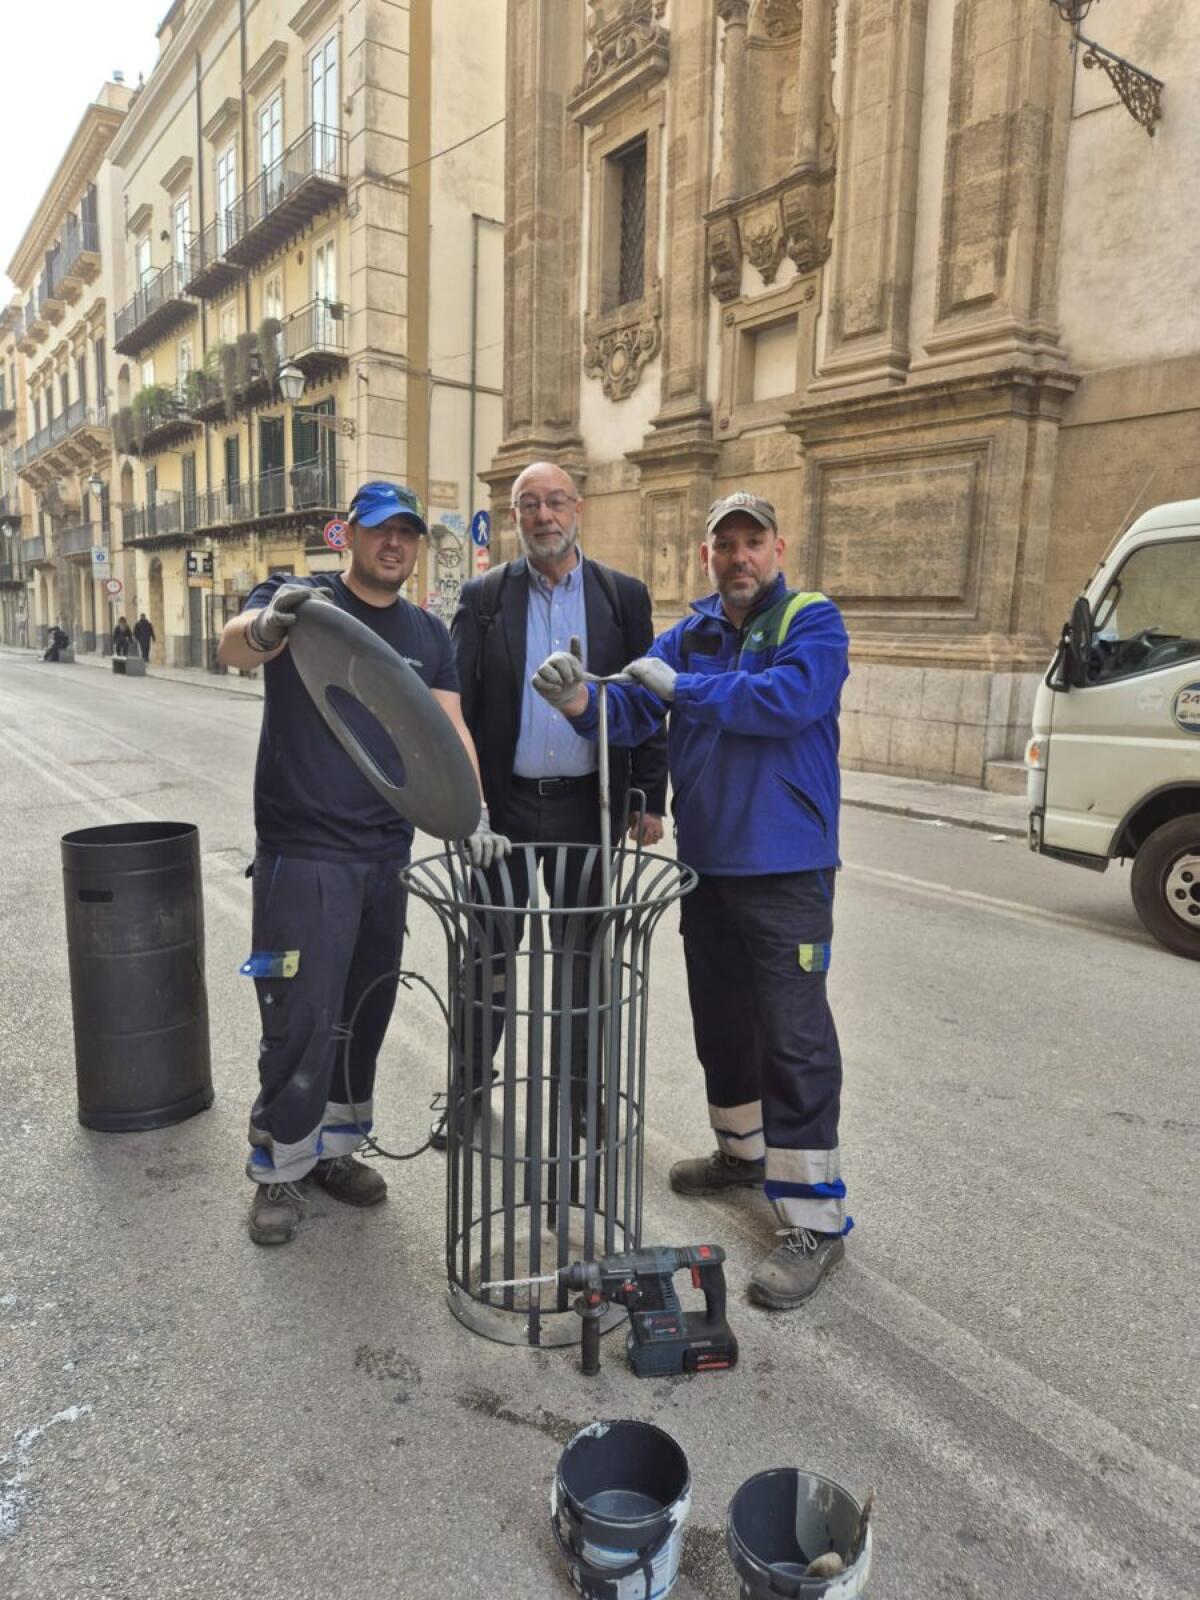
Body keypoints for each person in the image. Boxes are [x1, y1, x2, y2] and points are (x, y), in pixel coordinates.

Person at [532, 491, 851, 1309]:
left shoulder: (812, 622)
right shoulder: (691, 635)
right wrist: (577, 702)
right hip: (709, 868)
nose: (738, 557)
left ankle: (813, 1220)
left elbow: (786, 702)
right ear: (706, 557)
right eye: (724, 546)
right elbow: (631, 710)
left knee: (795, 1039)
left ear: (778, 548)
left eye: (752, 542)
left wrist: (685, 692)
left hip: (786, 870)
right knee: (722, 1024)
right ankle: (741, 1154)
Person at [216, 480, 506, 1246]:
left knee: (362, 1012)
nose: (394, 545)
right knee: (299, 1017)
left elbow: (449, 728)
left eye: (407, 534)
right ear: (347, 535)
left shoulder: (427, 632)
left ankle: (335, 1152)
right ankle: (278, 1170)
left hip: (387, 853)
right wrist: (266, 624)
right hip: (305, 851)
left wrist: (470, 812)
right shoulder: (301, 598)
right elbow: (233, 646)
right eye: (380, 531)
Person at [434, 461, 668, 1149]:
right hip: (503, 813)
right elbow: (458, 714)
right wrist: (466, 809)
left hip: (585, 812)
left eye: (555, 502)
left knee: (581, 965)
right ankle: (469, 1091)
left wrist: (648, 796)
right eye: (528, 504)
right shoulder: (483, 598)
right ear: (514, 518)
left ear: (579, 509)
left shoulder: (622, 598)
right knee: (488, 961)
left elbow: (648, 704)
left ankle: (582, 1103)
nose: (543, 516)